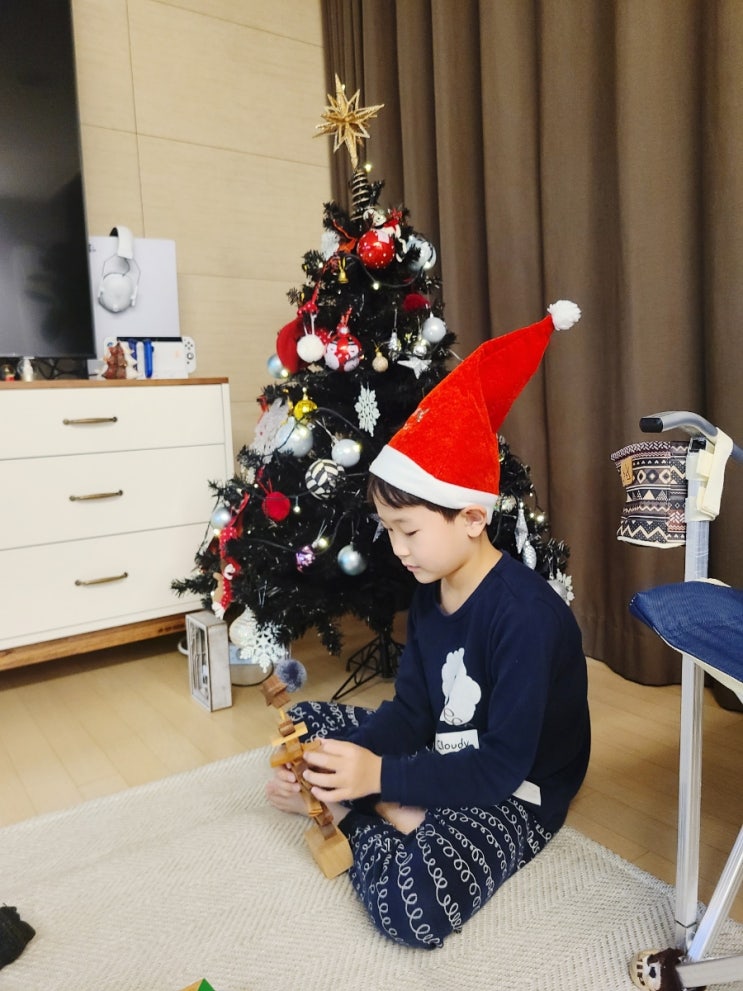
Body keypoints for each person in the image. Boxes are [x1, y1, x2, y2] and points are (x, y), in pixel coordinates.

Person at [266, 301, 591, 948]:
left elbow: (500, 768)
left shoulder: (526, 618)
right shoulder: (429, 590)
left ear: (472, 517)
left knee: (411, 909)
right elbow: (414, 710)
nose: (398, 549)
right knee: (305, 729)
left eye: (408, 531)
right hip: (445, 748)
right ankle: (379, 805)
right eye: (389, 531)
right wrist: (344, 764)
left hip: (516, 788)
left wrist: (371, 784)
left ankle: (364, 816)